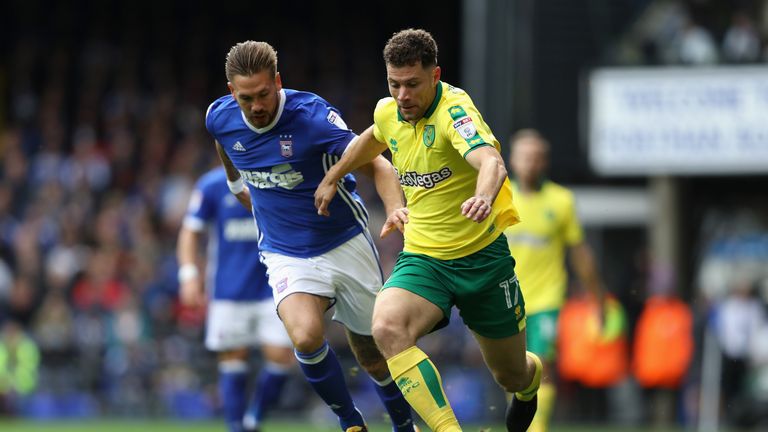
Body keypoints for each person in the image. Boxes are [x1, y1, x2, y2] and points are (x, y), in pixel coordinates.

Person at [315, 28, 542, 432]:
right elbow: (372, 139)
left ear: (435, 76)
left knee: (510, 374)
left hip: (483, 261)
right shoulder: (390, 111)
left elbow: (491, 162)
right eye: (395, 84)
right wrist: (334, 175)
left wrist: (485, 197)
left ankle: (529, 384)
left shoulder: (454, 112)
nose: (403, 95)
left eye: (413, 85)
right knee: (386, 325)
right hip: (425, 259)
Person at [205, 41, 415, 432]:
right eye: (246, 98)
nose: (256, 106)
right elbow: (223, 143)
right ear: (232, 92)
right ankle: (350, 422)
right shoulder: (219, 116)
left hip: (343, 241)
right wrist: (236, 186)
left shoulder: (314, 117)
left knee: (373, 351)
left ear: (278, 82)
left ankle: (404, 424)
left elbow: (380, 166)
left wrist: (393, 210)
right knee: (304, 336)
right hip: (285, 251)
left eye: (264, 94)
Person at [176, 166, 295, 432]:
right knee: (233, 357)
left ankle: (255, 418)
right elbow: (190, 230)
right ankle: (236, 427)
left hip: (275, 286)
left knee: (281, 356)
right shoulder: (213, 184)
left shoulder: (279, 174)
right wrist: (188, 275)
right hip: (229, 288)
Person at [504, 129, 605, 432]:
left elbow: (579, 253)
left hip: (547, 299)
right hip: (507, 299)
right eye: (524, 157)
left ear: (544, 162)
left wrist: (597, 297)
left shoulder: (561, 201)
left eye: (535, 158)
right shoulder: (500, 196)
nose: (529, 164)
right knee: (511, 372)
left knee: (541, 365)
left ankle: (537, 427)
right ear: (513, 159)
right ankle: (520, 424)